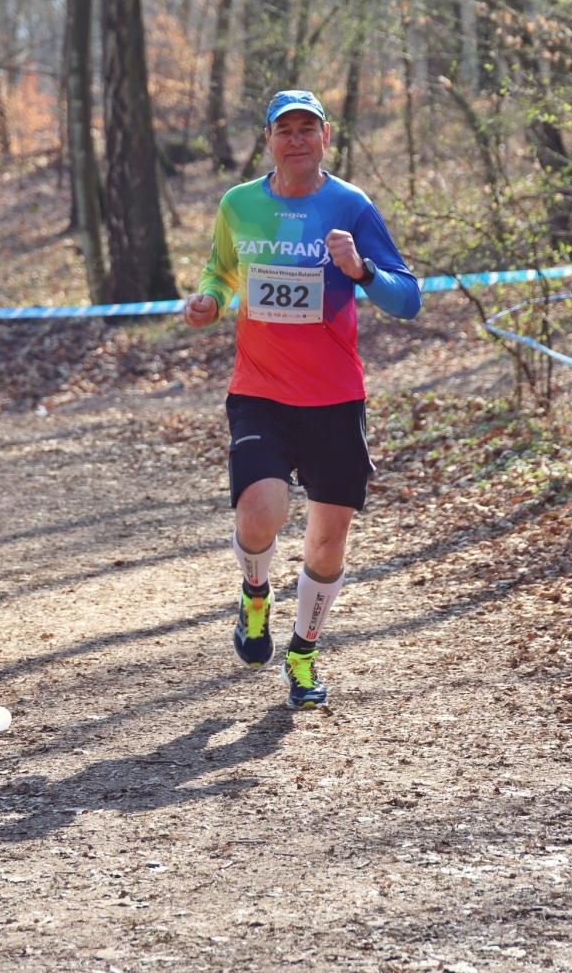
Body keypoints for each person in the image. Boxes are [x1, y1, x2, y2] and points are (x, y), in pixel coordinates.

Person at [185, 89, 422, 710]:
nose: (296, 140)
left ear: (325, 138)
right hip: (259, 390)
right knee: (259, 511)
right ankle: (255, 593)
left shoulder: (351, 205)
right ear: (268, 140)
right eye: (284, 130)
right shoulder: (239, 204)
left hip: (334, 398)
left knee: (327, 540)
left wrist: (362, 271)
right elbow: (221, 271)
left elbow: (408, 299)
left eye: (307, 129)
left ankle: (303, 652)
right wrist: (209, 300)